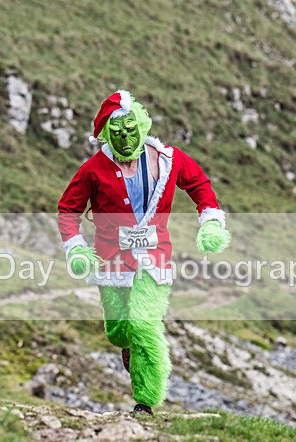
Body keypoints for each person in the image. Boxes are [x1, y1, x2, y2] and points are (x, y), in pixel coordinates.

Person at [58, 90, 231, 416]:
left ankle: (146, 400)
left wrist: (210, 223)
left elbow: (200, 186)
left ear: (142, 123)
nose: (126, 137)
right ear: (108, 134)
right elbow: (68, 209)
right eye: (118, 132)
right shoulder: (93, 169)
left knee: (144, 324)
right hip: (110, 259)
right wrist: (77, 248)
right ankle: (129, 345)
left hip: (155, 258)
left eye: (131, 129)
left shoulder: (168, 159)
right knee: (120, 330)